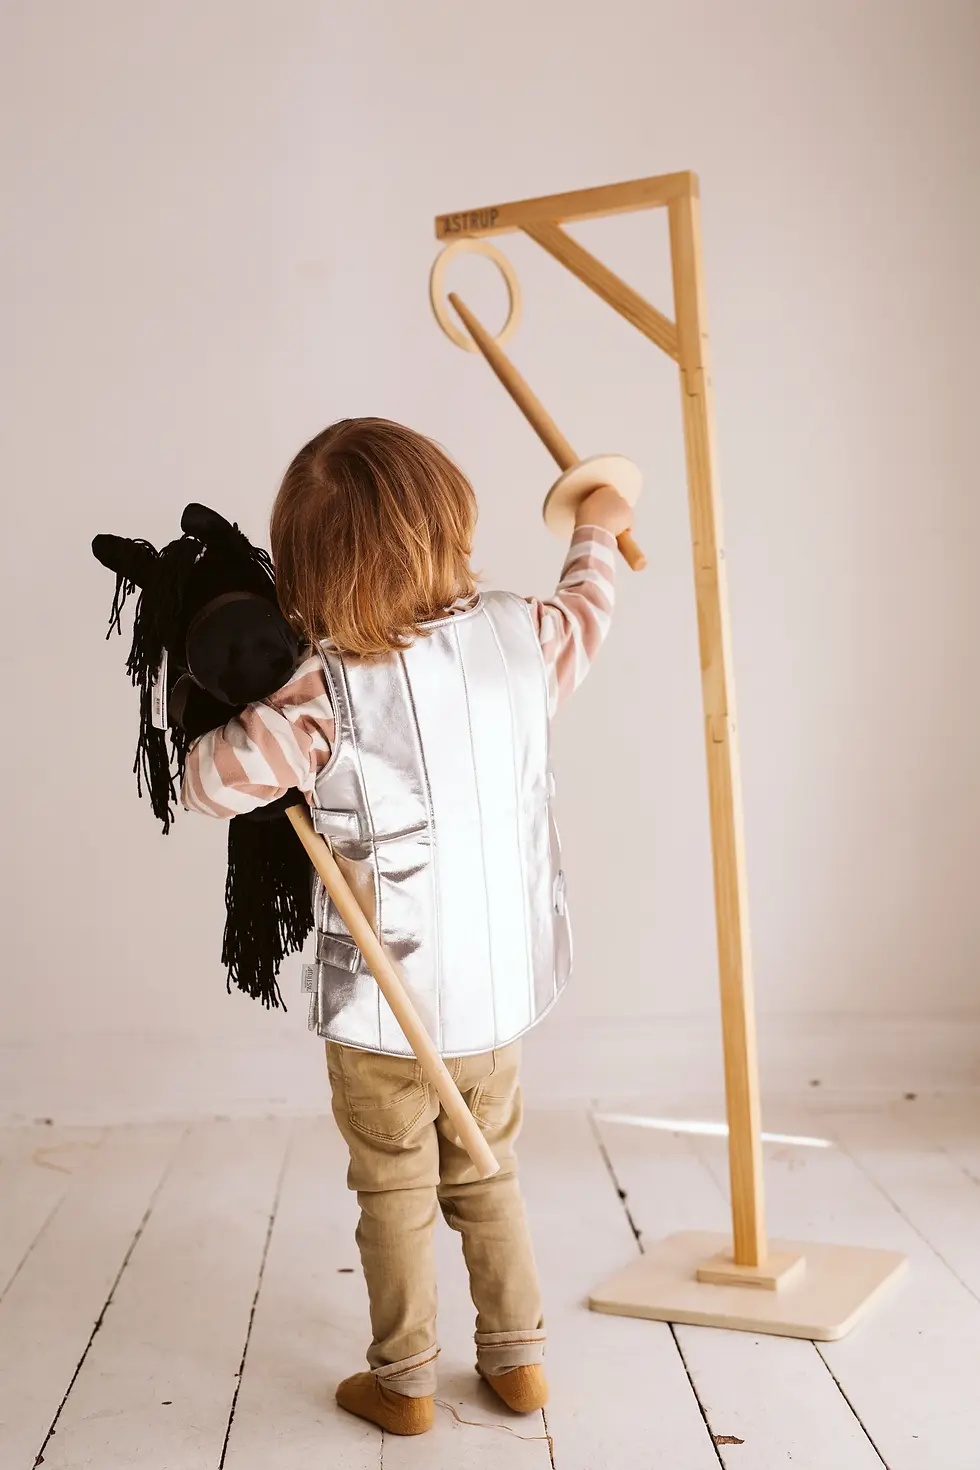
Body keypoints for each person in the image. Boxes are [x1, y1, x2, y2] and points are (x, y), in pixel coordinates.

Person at [182, 417, 630, 1436]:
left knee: (393, 1189)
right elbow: (588, 608)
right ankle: (517, 1359)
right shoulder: (525, 637)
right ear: (450, 526)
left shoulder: (318, 696)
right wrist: (597, 525)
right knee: (487, 1170)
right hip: (497, 994)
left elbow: (209, 786)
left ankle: (405, 1379)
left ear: (303, 570)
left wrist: (223, 713)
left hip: (386, 1014)